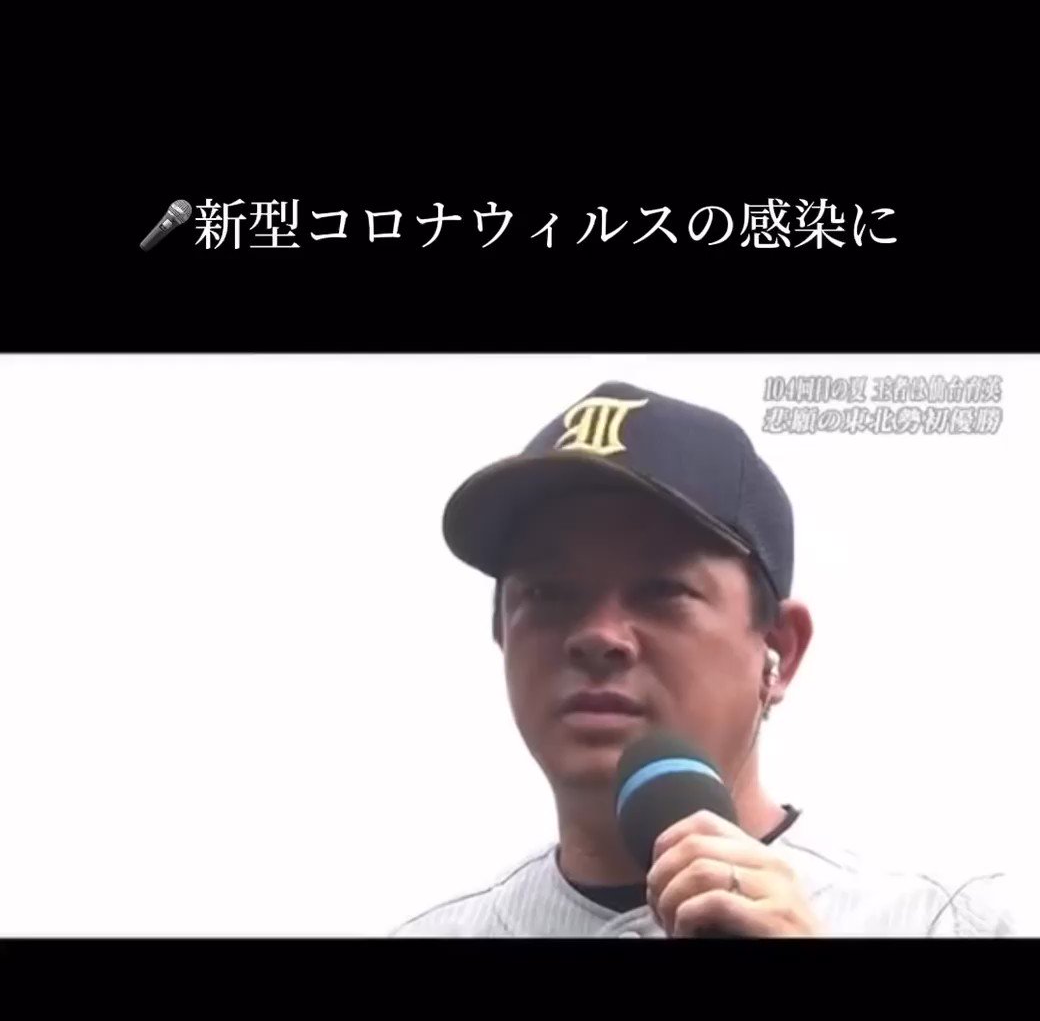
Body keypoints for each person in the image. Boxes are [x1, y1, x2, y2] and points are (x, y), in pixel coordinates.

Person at [393, 381, 1015, 938]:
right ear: (502, 634)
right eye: (548, 593)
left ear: (780, 648)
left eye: (662, 590)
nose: (598, 636)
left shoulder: (943, 925)